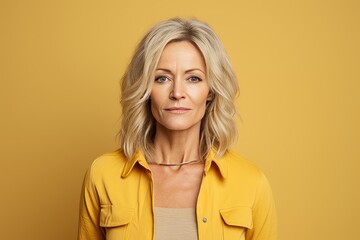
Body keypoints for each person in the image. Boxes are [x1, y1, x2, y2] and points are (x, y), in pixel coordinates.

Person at [78, 18, 277, 240]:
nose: (177, 92)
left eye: (193, 78)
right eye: (162, 78)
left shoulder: (250, 182)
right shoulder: (103, 174)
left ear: (210, 91)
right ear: (145, 88)